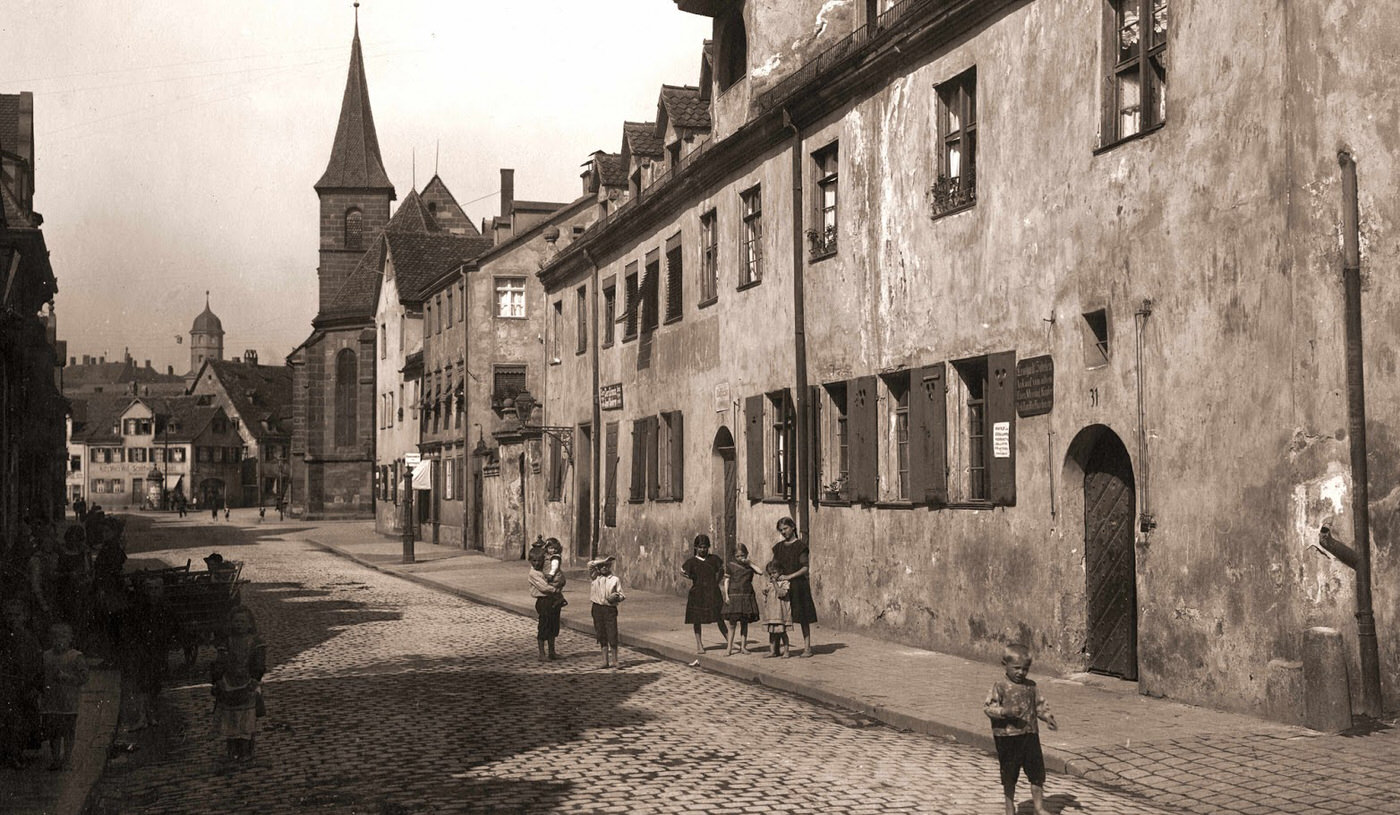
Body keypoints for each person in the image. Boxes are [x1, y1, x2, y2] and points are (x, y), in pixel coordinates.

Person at [984, 643, 1058, 815]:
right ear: (1005, 665)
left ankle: (1039, 807)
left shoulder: (1031, 686)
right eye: (1016, 668)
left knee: (1037, 772)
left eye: (1025, 669)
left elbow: (1039, 705)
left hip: (1030, 735)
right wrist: (1005, 712)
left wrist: (1047, 717)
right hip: (1007, 736)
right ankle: (1009, 807)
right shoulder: (1000, 686)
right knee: (1009, 774)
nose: (1020, 673)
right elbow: (988, 708)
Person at [210, 606, 267, 764]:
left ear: (250, 624)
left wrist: (255, 679)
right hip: (229, 683)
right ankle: (232, 750)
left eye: (243, 621)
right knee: (230, 718)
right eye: (236, 621)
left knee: (247, 719)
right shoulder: (227, 642)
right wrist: (217, 680)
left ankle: (247, 750)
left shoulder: (256, 643)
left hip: (248, 682)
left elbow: (259, 664)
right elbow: (219, 662)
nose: (239, 625)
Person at [0, 597, 43, 768]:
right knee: (8, 719)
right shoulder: (3, 637)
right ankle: (9, 753)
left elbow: (38, 662)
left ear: (23, 616)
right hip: (6, 685)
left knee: (22, 720)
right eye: (9, 615)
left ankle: (16, 753)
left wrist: (36, 686)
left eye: (16, 615)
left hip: (25, 684)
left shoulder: (30, 639)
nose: (12, 619)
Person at [40, 622, 88, 771]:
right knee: (53, 733)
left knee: (68, 732)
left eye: (63, 636)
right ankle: (56, 759)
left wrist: (67, 678)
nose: (59, 640)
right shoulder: (45, 656)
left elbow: (84, 678)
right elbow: (40, 676)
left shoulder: (76, 656)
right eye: (55, 637)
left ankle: (67, 758)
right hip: (50, 703)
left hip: (68, 703)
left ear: (70, 639)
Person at [772, 517, 817, 657]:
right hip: (782, 586)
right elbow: (773, 567)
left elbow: (805, 568)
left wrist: (789, 576)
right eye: (781, 530)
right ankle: (778, 649)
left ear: (793, 527)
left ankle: (807, 648)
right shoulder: (778, 547)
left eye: (785, 529)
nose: (783, 532)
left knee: (803, 617)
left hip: (799, 585)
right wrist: (772, 583)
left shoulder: (800, 546)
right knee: (780, 616)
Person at [681, 534, 728, 655]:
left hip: (713, 592)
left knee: (719, 617)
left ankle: (730, 641)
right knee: (697, 619)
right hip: (698, 593)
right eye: (700, 547)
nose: (703, 549)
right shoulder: (691, 562)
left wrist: (717, 582)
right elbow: (683, 571)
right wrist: (692, 577)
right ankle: (699, 644)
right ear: (696, 548)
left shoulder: (713, 559)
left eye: (705, 547)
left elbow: (721, 570)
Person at [721, 544, 762, 655]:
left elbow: (760, 572)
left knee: (744, 623)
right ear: (734, 556)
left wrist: (750, 563)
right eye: (738, 556)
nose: (740, 558)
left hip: (746, 595)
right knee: (732, 623)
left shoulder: (749, 566)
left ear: (746, 554)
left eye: (742, 555)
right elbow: (726, 581)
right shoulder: (731, 565)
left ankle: (743, 647)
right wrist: (727, 596)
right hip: (734, 596)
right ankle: (729, 648)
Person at [588, 555, 625, 669]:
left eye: (606, 565)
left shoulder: (614, 579)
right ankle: (605, 660)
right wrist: (601, 561)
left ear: (610, 566)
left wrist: (616, 597)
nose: (604, 567)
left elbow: (622, 595)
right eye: (601, 566)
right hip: (597, 608)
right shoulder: (594, 577)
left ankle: (615, 660)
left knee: (612, 634)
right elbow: (590, 565)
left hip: (609, 609)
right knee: (601, 634)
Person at [527, 549, 562, 662]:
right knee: (544, 626)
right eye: (534, 561)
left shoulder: (544, 570)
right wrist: (555, 589)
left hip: (552, 600)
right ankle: (541, 654)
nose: (537, 563)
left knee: (553, 626)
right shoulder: (533, 574)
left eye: (539, 561)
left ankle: (552, 651)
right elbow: (544, 587)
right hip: (543, 601)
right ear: (530, 561)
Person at [757, 562, 791, 658]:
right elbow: (770, 594)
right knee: (771, 633)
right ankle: (772, 651)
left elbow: (781, 594)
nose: (772, 575)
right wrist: (765, 591)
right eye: (770, 573)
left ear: (781, 571)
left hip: (780, 613)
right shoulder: (770, 583)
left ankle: (786, 651)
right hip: (771, 613)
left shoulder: (784, 583)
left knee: (782, 633)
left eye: (774, 573)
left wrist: (775, 583)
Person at [542, 538, 567, 607]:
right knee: (553, 589)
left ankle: (560, 600)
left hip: (555, 577)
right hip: (553, 576)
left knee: (554, 589)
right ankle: (557, 600)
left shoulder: (555, 557)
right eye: (550, 548)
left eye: (554, 548)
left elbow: (554, 566)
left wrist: (551, 574)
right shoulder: (548, 556)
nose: (552, 550)